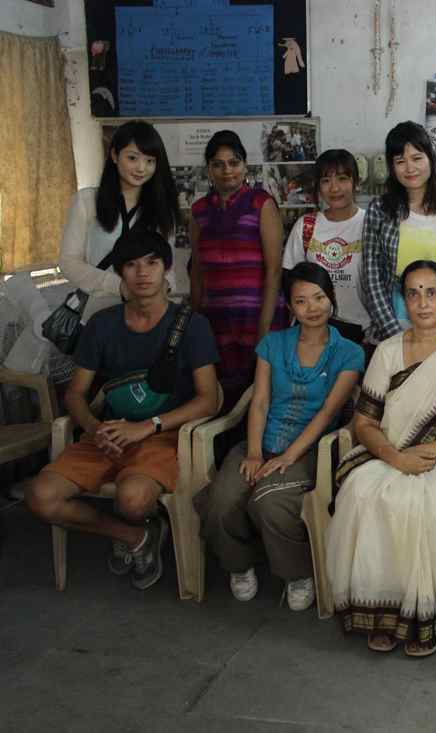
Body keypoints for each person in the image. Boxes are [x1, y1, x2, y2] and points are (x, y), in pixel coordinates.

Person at [25, 230, 220, 591]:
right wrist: (94, 428)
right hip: (107, 434)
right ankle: (135, 537)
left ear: (166, 269)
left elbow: (210, 399)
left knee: (133, 499)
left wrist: (148, 426)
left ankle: (138, 524)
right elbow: (76, 394)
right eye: (131, 265)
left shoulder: (192, 325)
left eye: (152, 263)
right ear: (120, 273)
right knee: (40, 497)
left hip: (162, 435)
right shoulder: (103, 324)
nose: (142, 273)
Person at [326, 261, 436, 657]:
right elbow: (364, 423)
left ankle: (422, 616)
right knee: (360, 492)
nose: (423, 303)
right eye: (413, 294)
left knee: (425, 502)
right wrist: (395, 457)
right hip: (391, 453)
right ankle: (382, 613)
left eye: (431, 292)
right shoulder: (387, 351)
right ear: (403, 301)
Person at [194, 263, 363, 611]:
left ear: (331, 298)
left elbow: (327, 413)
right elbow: (259, 402)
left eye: (319, 297)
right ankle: (239, 564)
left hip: (310, 450)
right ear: (290, 306)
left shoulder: (349, 352)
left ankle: (298, 573)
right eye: (301, 301)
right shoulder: (272, 344)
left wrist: (288, 457)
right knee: (220, 500)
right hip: (262, 442)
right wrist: (255, 452)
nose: (312, 307)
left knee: (269, 501)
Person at [190, 130, 288, 405]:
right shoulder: (198, 211)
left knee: (264, 397)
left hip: (258, 316)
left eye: (234, 162)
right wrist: (195, 323)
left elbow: (274, 271)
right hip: (217, 321)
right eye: (218, 164)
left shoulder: (261, 203)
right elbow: (197, 271)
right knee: (223, 398)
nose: (227, 171)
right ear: (209, 169)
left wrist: (264, 330)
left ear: (245, 166)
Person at [360, 122, 436, 353]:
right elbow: (371, 277)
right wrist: (396, 336)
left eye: (417, 158)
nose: (410, 168)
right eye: (400, 161)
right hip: (392, 328)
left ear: (431, 159)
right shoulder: (380, 209)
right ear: (392, 166)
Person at [60, 121, 179, 320]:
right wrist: (120, 286)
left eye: (150, 160)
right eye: (132, 158)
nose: (141, 168)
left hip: (148, 316)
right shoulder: (87, 201)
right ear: (115, 155)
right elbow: (69, 262)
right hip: (97, 314)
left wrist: (165, 287)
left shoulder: (163, 208)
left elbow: (168, 268)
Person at [283, 149, 371, 346]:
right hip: (312, 331)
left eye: (342, 178)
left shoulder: (371, 224)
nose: (334, 188)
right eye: (325, 180)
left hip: (362, 332)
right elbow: (290, 283)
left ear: (356, 182)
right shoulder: (306, 226)